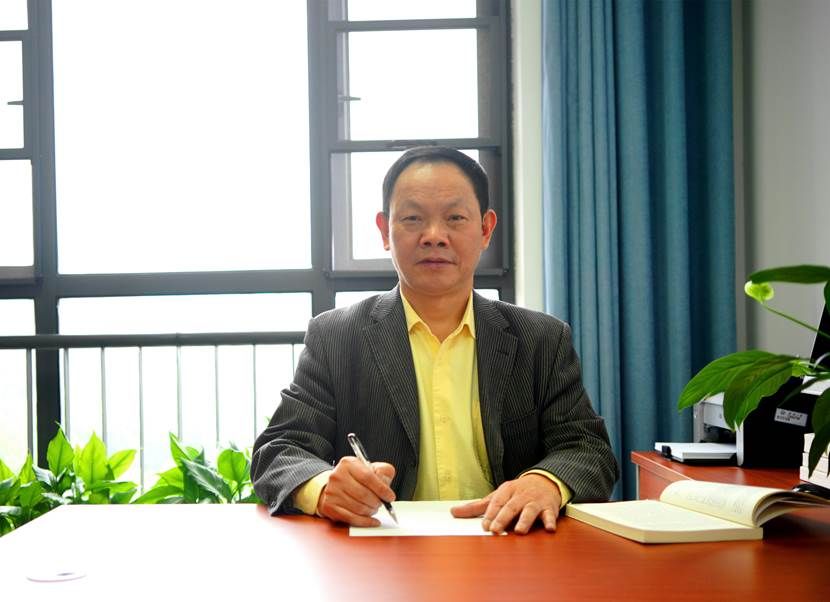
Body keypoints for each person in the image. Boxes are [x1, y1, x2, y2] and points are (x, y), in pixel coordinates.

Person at [251, 146, 618, 534]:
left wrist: (545, 482)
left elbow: (587, 448)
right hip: (384, 549)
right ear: (384, 231)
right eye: (413, 218)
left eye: (455, 218)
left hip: (510, 543)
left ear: (486, 229)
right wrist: (324, 488)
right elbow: (280, 450)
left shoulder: (540, 339)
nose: (434, 236)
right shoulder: (337, 337)